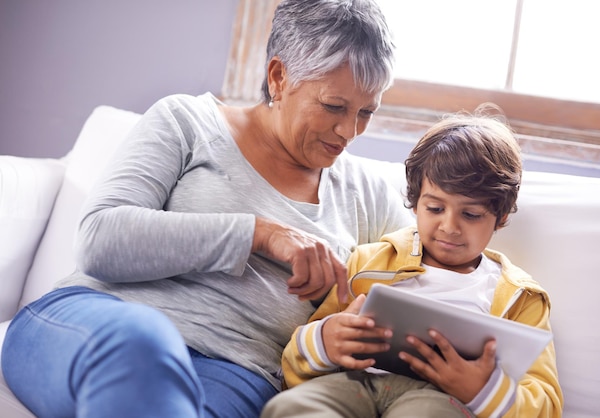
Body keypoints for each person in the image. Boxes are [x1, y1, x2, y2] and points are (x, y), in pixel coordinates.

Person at [1, 1, 414, 417]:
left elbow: (440, 278)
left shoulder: (369, 196)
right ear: (278, 77)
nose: (349, 131)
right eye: (333, 106)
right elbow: (99, 239)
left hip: (235, 372)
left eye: (367, 112)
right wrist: (261, 234)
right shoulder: (188, 121)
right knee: (144, 344)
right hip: (100, 323)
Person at [262, 109, 564, 417]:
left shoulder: (521, 298)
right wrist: (325, 341)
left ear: (500, 218)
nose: (449, 226)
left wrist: (481, 391)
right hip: (354, 383)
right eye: (434, 208)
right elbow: (295, 363)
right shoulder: (370, 262)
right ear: (416, 201)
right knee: (290, 407)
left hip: (442, 399)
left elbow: (546, 403)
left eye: (471, 215)